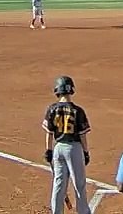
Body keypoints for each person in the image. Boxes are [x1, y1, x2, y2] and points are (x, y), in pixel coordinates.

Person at [42, 75, 92, 214]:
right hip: (73, 148)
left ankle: (57, 211)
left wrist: (48, 150)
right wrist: (86, 152)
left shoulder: (52, 109)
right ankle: (83, 211)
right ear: (71, 89)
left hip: (58, 148)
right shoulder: (77, 111)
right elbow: (82, 135)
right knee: (79, 184)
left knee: (59, 184)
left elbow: (49, 133)